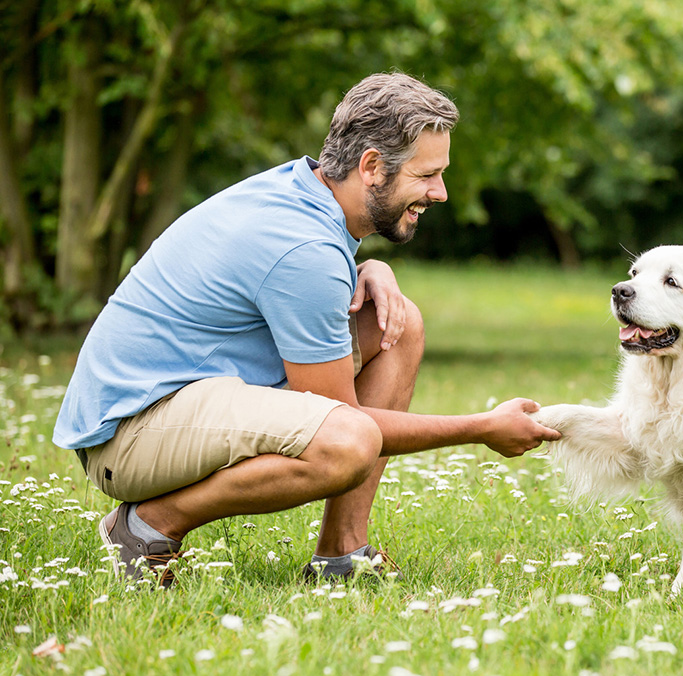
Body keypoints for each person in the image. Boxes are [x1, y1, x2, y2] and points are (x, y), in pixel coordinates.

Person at [52, 72, 561, 587]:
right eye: (427, 175)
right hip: (128, 435)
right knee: (348, 441)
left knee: (398, 324)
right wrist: (480, 427)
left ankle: (342, 553)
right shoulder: (304, 249)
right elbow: (342, 417)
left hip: (176, 398)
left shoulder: (305, 190)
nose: (441, 192)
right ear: (371, 167)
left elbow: (285, 282)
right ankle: (145, 529)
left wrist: (369, 270)